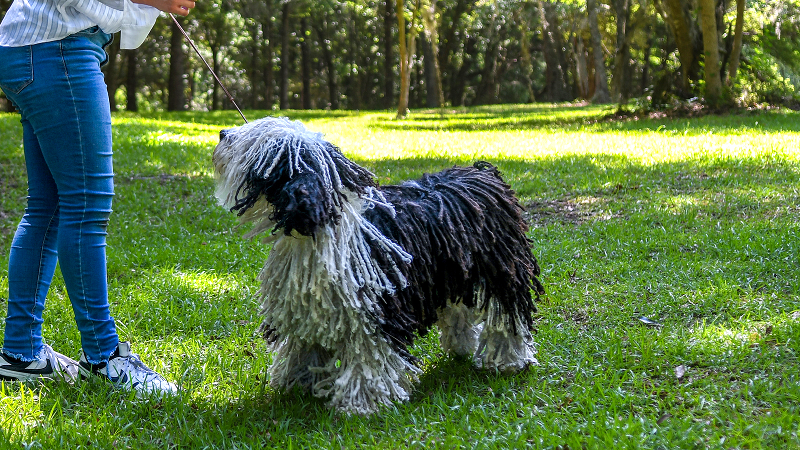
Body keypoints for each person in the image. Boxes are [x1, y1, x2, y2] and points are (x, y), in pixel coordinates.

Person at [0, 0, 196, 396]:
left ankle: (20, 354)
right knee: (86, 205)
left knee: (48, 207)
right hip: (56, 48)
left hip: (38, 47)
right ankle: (104, 358)